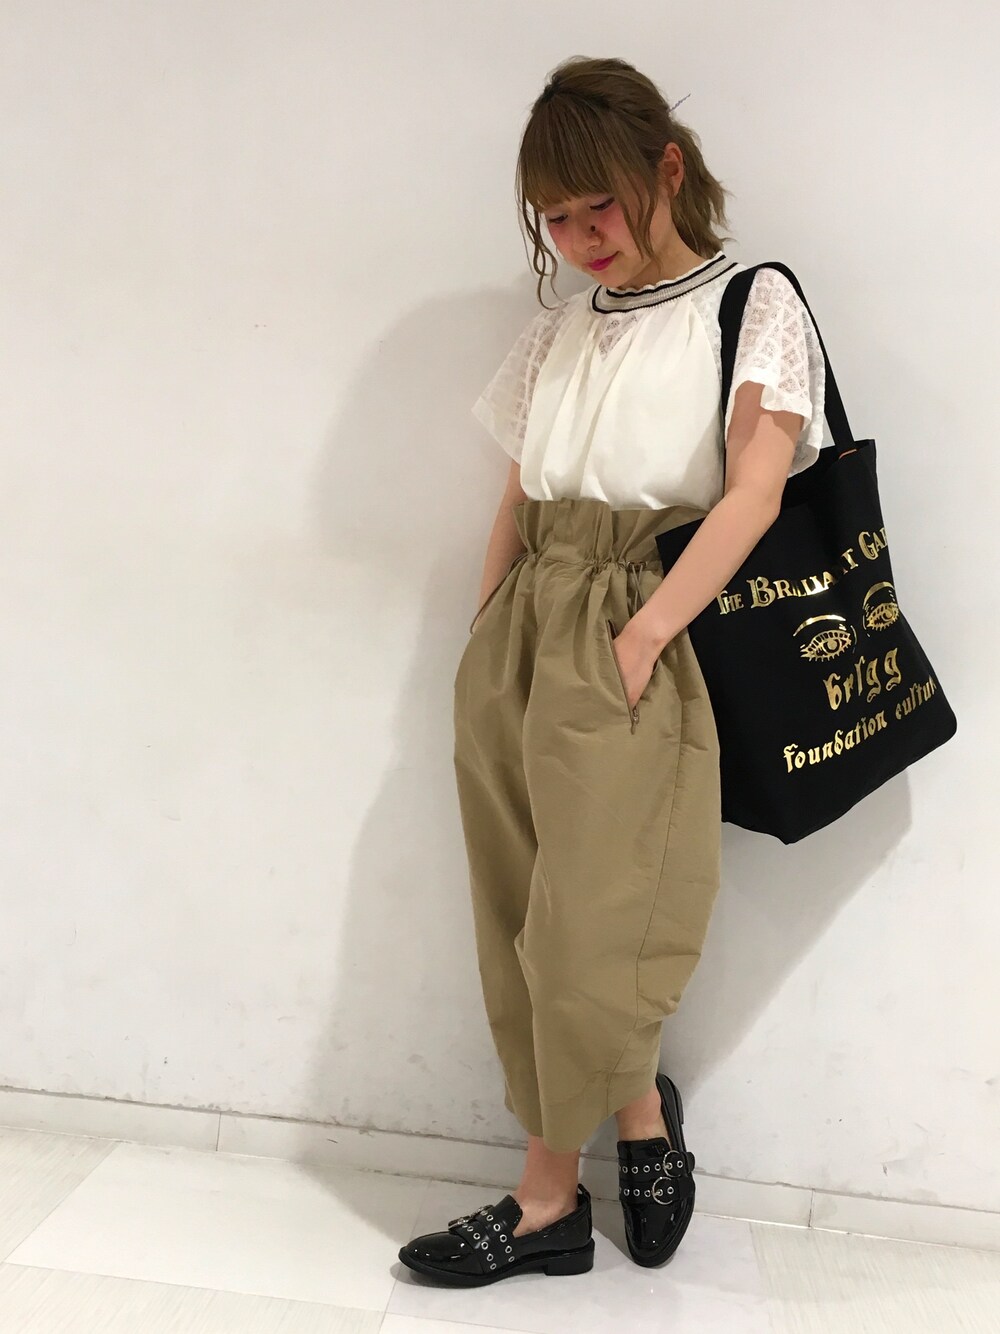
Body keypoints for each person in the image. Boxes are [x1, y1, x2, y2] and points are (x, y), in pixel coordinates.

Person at [399, 55, 826, 1287]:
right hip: (524, 626)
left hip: (637, 616)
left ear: (666, 170)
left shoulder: (750, 302)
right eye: (556, 217)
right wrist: (487, 627)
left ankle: (545, 1202)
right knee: (519, 913)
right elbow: (518, 490)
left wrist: (642, 636)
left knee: (593, 923)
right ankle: (639, 1116)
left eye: (600, 204)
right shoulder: (564, 326)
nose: (582, 236)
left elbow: (752, 493)